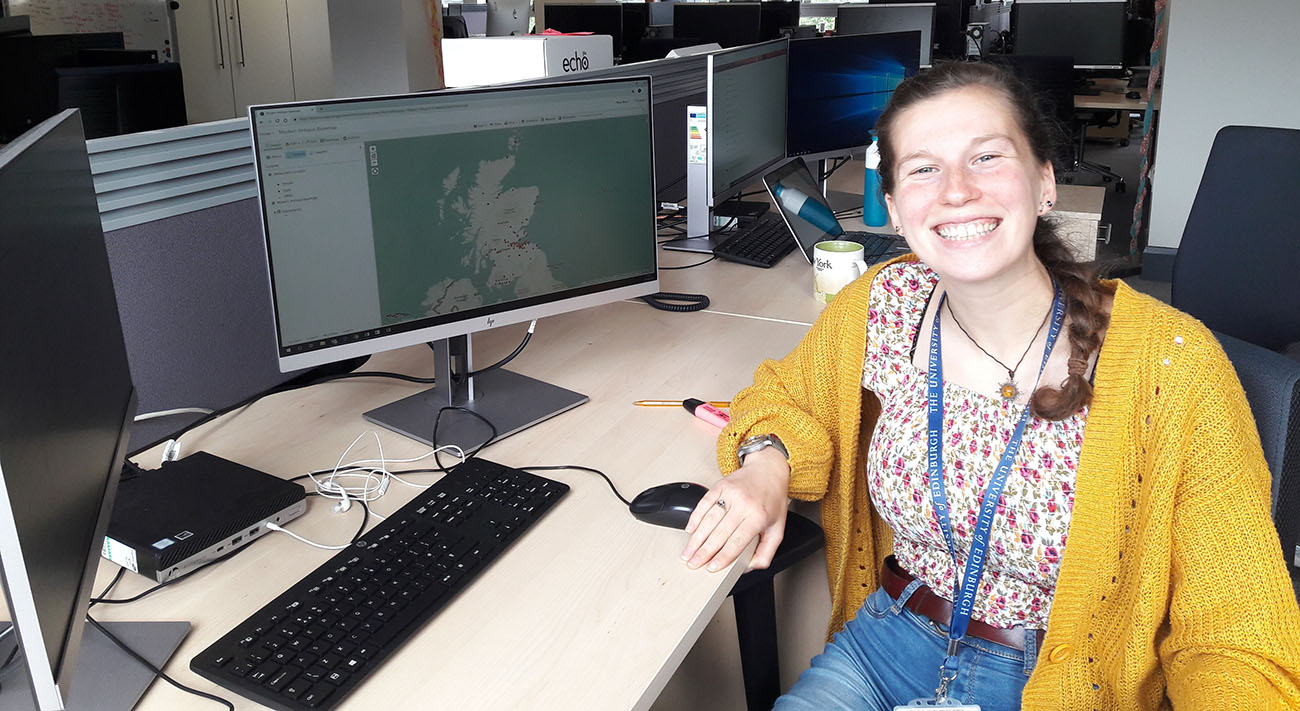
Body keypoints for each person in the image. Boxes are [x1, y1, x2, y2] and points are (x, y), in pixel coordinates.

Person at [679, 61, 1300, 710]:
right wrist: (766, 464)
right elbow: (787, 394)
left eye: (986, 157)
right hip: (888, 641)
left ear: (1044, 182)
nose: (955, 191)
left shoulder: (1171, 365)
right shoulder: (882, 305)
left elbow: (1234, 633)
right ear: (892, 207)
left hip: (1050, 679)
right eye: (923, 167)